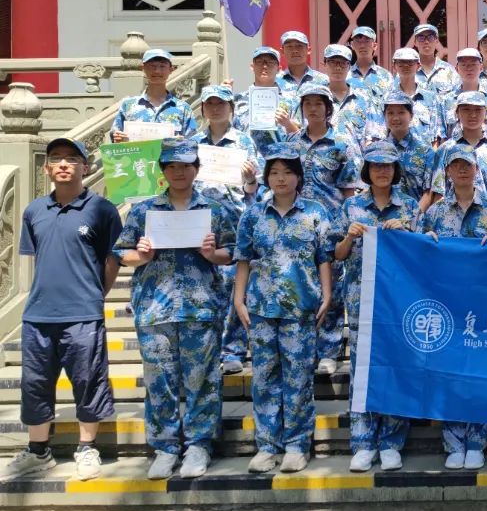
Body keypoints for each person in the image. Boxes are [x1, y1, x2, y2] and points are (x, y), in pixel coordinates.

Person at [1, 138, 122, 482]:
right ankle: (39, 451)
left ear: (86, 166)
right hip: (38, 315)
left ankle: (87, 448)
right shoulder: (34, 211)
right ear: (46, 168)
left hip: (83, 313)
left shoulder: (102, 209)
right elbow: (36, 257)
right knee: (35, 384)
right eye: (56, 158)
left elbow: (112, 258)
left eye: (72, 158)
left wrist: (96, 294)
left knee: (88, 381)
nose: (64, 164)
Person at [114, 138, 235, 480]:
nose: (179, 172)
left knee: (202, 380)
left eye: (185, 166)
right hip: (155, 307)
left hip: (200, 307)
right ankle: (165, 447)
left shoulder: (214, 209)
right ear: (162, 171)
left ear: (196, 169)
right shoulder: (144, 211)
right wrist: (141, 255)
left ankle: (199, 445)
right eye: (172, 166)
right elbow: (121, 254)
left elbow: (233, 252)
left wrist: (212, 254)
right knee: (159, 381)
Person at [234, 143, 335, 474]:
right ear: (266, 178)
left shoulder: (315, 213)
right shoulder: (253, 215)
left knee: (298, 378)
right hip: (261, 308)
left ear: (299, 177)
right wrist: (238, 299)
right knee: (264, 378)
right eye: (275, 172)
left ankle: (296, 445)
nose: (281, 178)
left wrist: (327, 295)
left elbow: (324, 257)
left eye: (288, 172)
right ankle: (266, 446)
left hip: (300, 308)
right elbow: (243, 259)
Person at [336, 141, 421, 472]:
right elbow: (337, 254)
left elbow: (423, 254)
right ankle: (362, 442)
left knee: (397, 369)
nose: (382, 171)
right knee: (363, 373)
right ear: (367, 171)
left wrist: (407, 233)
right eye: (375, 166)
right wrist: (349, 237)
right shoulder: (352, 206)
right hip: (362, 301)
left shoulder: (409, 206)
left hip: (398, 304)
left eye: (387, 165)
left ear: (396, 170)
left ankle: (391, 442)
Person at [422, 144, 487, 470]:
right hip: (447, 306)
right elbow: (419, 256)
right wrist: (426, 241)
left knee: (481, 372)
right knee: (450, 372)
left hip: (483, 306)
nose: (461, 170)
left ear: (476, 170)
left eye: (467, 165)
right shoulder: (434, 213)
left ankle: (478, 441)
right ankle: (454, 442)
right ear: (447, 171)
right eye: (455, 165)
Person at [289, 83, 361, 375]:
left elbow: (349, 190)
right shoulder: (292, 143)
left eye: (319, 103)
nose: (313, 109)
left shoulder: (341, 144)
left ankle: (329, 351)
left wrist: (347, 226)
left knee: (332, 290)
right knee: (301, 287)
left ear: (328, 108)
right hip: (297, 226)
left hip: (331, 227)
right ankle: (304, 349)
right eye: (308, 103)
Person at [191, 85, 262, 377]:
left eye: (221, 103)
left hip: (235, 223)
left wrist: (249, 179)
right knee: (204, 287)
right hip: (200, 223)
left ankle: (233, 349)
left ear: (231, 107)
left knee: (236, 286)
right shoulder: (193, 143)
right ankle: (207, 349)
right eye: (210, 104)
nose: (216, 108)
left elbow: (254, 190)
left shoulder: (244, 141)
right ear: (203, 109)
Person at [431, 91, 487, 225]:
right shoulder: (445, 149)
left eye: (478, 110)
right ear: (457, 113)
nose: (473, 115)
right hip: (452, 225)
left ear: (486, 113)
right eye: (466, 110)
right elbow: (439, 192)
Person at [110, 48, 197, 142]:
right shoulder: (128, 106)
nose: (157, 71)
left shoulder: (183, 108)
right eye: (152, 66)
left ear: (171, 69)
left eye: (162, 66)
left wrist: (180, 143)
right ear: (143, 68)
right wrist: (118, 138)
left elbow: (193, 143)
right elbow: (114, 138)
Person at [233, 46, 301, 158]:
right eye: (260, 62)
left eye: (270, 62)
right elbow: (231, 133)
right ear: (252, 67)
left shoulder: (292, 100)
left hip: (280, 163)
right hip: (248, 162)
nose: (264, 66)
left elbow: (302, 139)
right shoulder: (238, 100)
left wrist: (288, 123)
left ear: (279, 69)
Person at [379, 91, 437, 210]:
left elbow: (428, 193)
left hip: (414, 216)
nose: (395, 118)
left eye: (401, 112)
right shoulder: (377, 151)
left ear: (411, 115)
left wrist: (412, 217)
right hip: (382, 216)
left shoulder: (426, 152)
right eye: (390, 113)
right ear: (384, 116)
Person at [436, 48, 487, 144]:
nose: (469, 68)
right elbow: (440, 136)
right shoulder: (446, 100)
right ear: (456, 69)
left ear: (481, 67)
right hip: (455, 152)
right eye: (464, 65)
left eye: (473, 64)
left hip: (486, 151)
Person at [384, 47, 440, 145]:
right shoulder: (386, 98)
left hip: (424, 153)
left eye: (410, 62)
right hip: (394, 153)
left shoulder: (431, 98)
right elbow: (380, 133)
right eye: (401, 63)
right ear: (394, 66)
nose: (406, 66)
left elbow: (436, 137)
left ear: (418, 65)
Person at [323, 43, 371, 146]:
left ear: (349, 66)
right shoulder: (316, 98)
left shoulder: (363, 98)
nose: (338, 67)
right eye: (332, 62)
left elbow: (374, 133)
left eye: (343, 63)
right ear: (325, 64)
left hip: (357, 155)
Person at [345, 25, 394, 99]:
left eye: (367, 41)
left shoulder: (385, 76)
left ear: (375, 46)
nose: (362, 45)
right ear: (352, 45)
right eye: (358, 41)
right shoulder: (345, 75)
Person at [411, 23, 460, 95]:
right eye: (421, 38)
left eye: (430, 37)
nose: (426, 41)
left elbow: (458, 96)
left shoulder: (449, 70)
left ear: (436, 41)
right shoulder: (407, 70)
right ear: (415, 42)